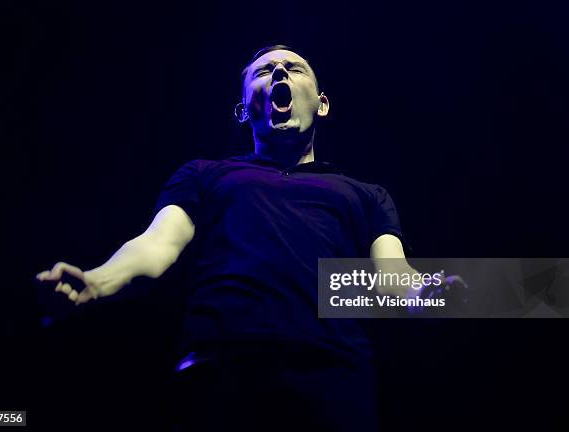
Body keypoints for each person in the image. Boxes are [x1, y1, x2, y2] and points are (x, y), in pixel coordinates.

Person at [36, 45, 457, 431]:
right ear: (243, 110)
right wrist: (99, 280)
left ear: (323, 104)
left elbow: (393, 277)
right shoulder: (206, 175)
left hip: (333, 377)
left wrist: (437, 292)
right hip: (220, 375)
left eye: (293, 68)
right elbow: (156, 244)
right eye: (264, 71)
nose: (278, 73)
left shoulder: (366, 195)